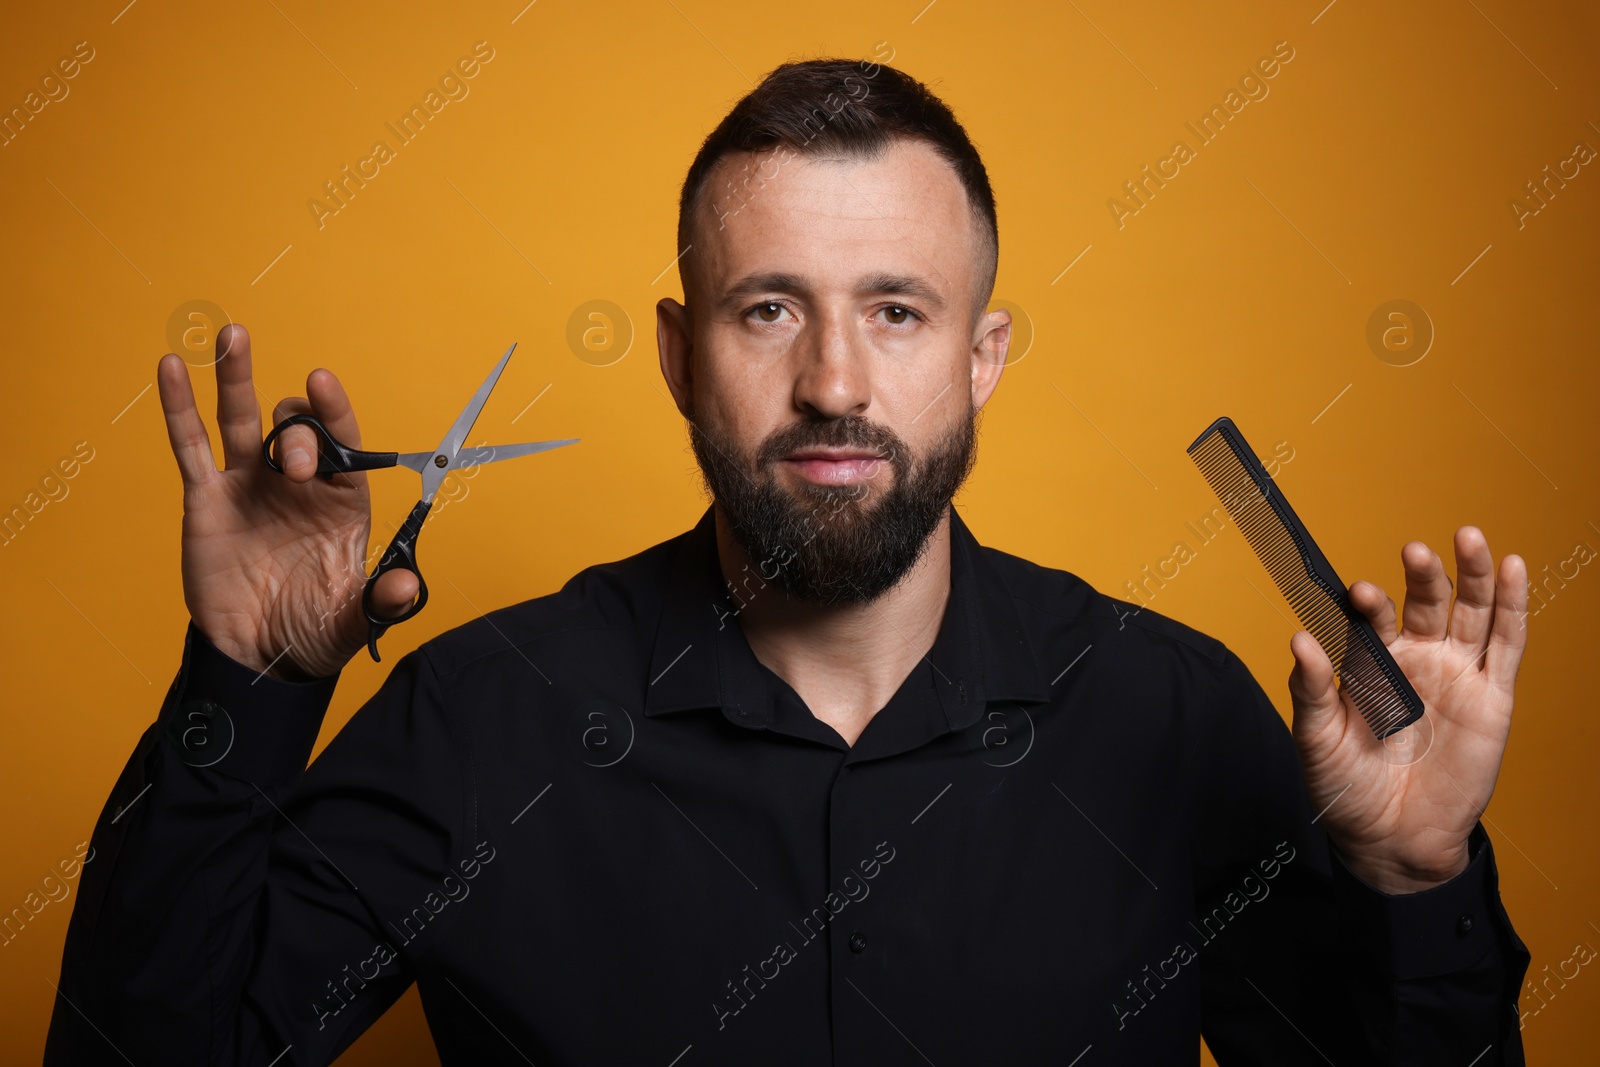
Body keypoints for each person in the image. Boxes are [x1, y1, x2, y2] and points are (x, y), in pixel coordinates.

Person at [46, 58, 1531, 1065]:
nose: (834, 382)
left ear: (983, 355)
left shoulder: (1175, 716)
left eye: (897, 310)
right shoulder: (479, 719)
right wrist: (237, 686)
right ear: (682, 356)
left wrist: (1416, 877)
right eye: (768, 310)